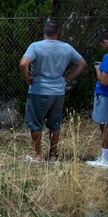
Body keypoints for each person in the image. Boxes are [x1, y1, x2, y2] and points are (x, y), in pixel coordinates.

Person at [19, 19, 86, 162]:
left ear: (44, 30)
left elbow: (23, 63)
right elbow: (81, 63)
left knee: (36, 123)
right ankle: (53, 155)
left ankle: (37, 154)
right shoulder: (66, 47)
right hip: (58, 91)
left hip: (40, 90)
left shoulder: (36, 46)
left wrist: (27, 78)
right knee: (55, 124)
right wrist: (67, 77)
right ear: (58, 33)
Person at [87, 31, 108, 169]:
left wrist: (97, 69)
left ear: (106, 41)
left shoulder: (107, 56)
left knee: (106, 125)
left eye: (103, 44)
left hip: (105, 95)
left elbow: (104, 81)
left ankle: (105, 160)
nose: (103, 47)